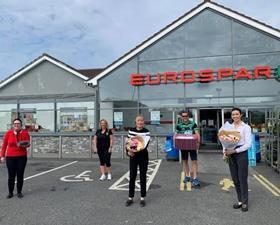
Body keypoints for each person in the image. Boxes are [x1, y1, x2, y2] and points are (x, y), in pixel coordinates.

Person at [221, 107, 251, 212]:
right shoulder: (228, 127)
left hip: (241, 153)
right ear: (231, 116)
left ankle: (245, 202)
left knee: (242, 178)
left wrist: (235, 151)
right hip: (230, 152)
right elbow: (224, 140)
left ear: (241, 115)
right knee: (235, 178)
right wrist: (225, 151)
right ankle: (239, 200)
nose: (235, 116)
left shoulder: (246, 127)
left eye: (237, 114)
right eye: (233, 114)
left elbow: (248, 144)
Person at [0, 118, 30, 199]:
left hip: (21, 157)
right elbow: (4, 145)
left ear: (21, 125)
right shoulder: (8, 133)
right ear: (13, 125)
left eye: (18, 123)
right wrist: (2, 156)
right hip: (10, 157)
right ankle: (10, 192)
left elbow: (28, 144)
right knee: (11, 176)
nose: (17, 125)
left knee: (20, 175)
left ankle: (19, 192)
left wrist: (21, 144)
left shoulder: (25, 133)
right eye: (15, 124)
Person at [126, 115, 150, 207]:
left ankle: (142, 198)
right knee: (132, 176)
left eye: (141, 121)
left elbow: (145, 145)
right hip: (133, 156)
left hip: (143, 156)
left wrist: (135, 149)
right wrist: (129, 151)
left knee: (143, 176)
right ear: (135, 122)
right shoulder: (131, 130)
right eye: (138, 121)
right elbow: (128, 142)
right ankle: (130, 197)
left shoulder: (146, 131)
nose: (140, 122)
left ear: (143, 122)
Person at [175, 110, 200, 186]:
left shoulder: (193, 124)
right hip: (183, 146)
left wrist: (198, 142)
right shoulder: (179, 125)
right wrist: (175, 143)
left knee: (194, 161)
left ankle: (195, 178)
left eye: (186, 116)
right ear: (181, 117)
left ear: (188, 116)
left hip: (192, 146)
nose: (185, 117)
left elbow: (197, 134)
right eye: (183, 116)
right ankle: (187, 176)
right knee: (185, 161)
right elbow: (176, 135)